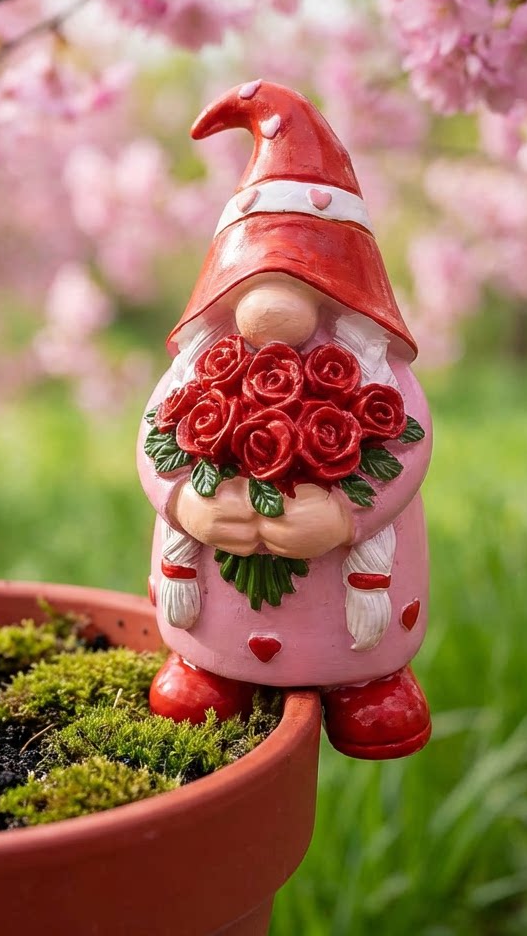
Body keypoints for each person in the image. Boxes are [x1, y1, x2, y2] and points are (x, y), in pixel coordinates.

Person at [137, 80, 434, 760]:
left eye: (306, 284)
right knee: (211, 654)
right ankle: (207, 664)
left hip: (353, 592)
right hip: (217, 583)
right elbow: (156, 447)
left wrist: (345, 518)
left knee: (359, 646)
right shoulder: (192, 373)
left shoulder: (384, 382)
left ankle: (366, 682)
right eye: (253, 282)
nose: (273, 309)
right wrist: (191, 505)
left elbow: (404, 456)